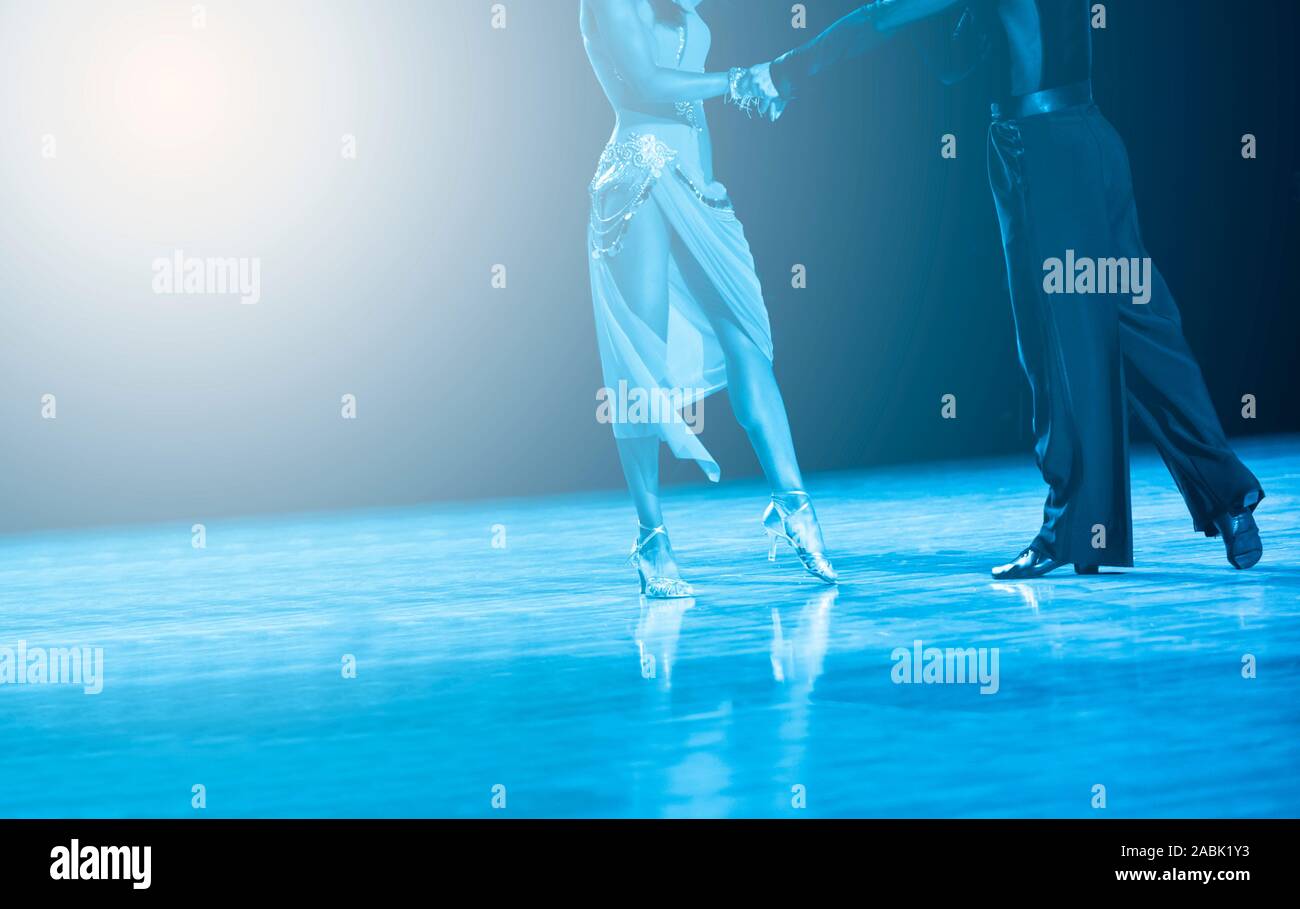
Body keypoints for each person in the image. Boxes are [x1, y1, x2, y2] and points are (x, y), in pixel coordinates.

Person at [753, 0, 1263, 578]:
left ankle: (1065, 532)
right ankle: (1228, 499)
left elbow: (877, 21)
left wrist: (784, 70)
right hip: (1092, 141)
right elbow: (956, 61)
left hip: (1036, 151)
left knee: (1053, 349)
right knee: (1140, 329)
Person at [581, 0, 837, 598]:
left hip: (697, 182)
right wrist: (741, 80)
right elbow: (646, 80)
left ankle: (794, 504)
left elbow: (689, 95)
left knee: (748, 340)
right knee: (641, 363)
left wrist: (713, 178)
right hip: (637, 177)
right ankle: (651, 538)